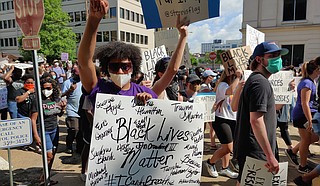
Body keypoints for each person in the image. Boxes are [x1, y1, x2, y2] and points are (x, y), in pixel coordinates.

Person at [78, 0, 189, 108]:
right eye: (114, 66)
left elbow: (171, 71)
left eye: (125, 66)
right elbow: (84, 62)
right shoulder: (99, 89)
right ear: (107, 68)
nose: (120, 71)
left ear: (133, 68)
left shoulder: (145, 92)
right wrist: (94, 20)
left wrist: (183, 36)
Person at [234, 41, 289, 185]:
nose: (277, 59)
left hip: (254, 149)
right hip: (256, 151)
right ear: (259, 59)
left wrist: (289, 91)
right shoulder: (260, 83)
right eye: (272, 55)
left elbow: (271, 110)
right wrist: (269, 155)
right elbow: (256, 120)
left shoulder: (258, 81)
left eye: (279, 55)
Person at [205, 70, 242, 179]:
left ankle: (224, 168)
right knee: (228, 148)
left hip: (233, 119)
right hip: (222, 119)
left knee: (227, 146)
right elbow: (230, 91)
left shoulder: (238, 85)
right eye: (235, 76)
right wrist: (238, 78)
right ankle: (210, 163)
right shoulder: (222, 85)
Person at [286, 58, 320, 173]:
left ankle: (293, 151)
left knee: (313, 138)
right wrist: (310, 121)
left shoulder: (310, 82)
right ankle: (302, 165)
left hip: (307, 114)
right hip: (303, 115)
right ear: (316, 70)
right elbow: (304, 103)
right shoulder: (307, 83)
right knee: (306, 140)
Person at [30, 77, 66, 185]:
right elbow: (33, 119)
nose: (46, 90)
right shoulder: (38, 100)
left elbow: (58, 114)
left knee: (52, 155)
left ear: (53, 88)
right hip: (44, 130)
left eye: (49, 88)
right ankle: (44, 178)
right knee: (49, 155)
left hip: (55, 129)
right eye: (44, 88)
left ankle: (46, 177)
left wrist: (62, 108)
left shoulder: (55, 99)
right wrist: (36, 136)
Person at [62, 63, 82, 154]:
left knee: (81, 131)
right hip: (72, 110)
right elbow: (62, 96)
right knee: (74, 129)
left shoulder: (85, 81)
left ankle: (79, 148)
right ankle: (69, 145)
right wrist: (70, 90)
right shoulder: (67, 82)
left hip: (82, 110)